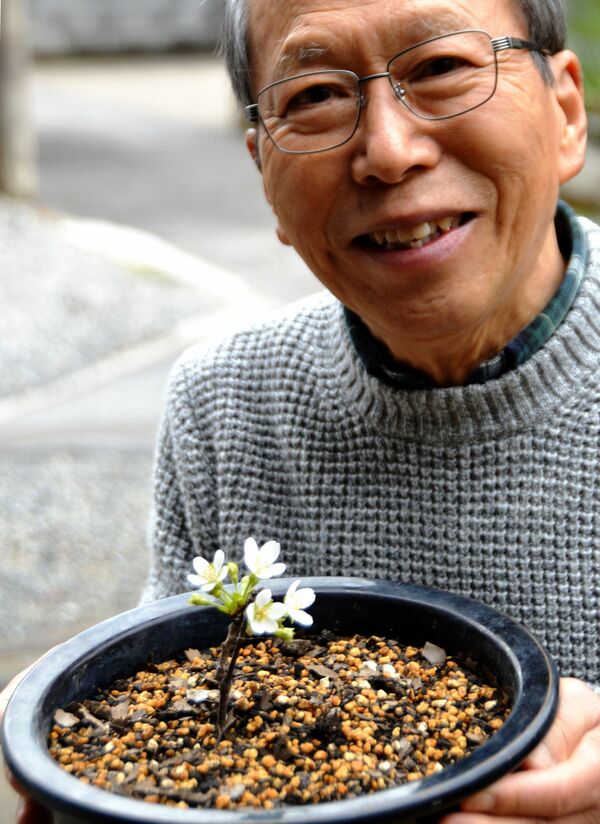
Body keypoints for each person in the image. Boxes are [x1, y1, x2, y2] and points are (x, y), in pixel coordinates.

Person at [2, 0, 599, 822]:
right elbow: (166, 685)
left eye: (440, 69)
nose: (388, 152)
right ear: (263, 170)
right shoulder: (225, 404)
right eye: (315, 95)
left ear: (565, 112)